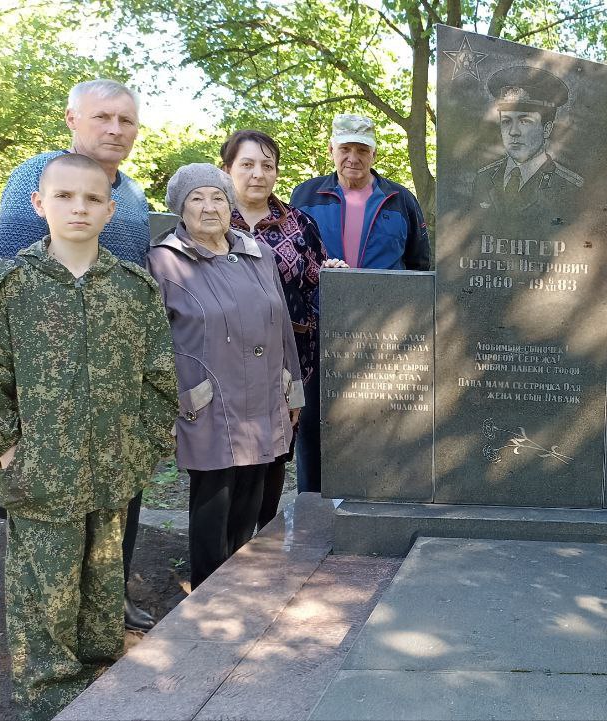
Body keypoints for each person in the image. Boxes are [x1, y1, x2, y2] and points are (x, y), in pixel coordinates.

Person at [0, 153, 177, 721]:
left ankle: (99, 682)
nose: (78, 208)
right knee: (44, 595)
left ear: (111, 209)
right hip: (40, 474)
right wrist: (6, 446)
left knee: (102, 586)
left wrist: (143, 447)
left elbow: (160, 378)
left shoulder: (132, 288)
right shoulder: (10, 287)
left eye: (91, 199)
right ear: (39, 204)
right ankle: (46, 696)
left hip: (112, 470)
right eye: (64, 197)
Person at [0, 78, 157, 631]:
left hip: (113, 383)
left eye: (126, 120)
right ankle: (47, 630)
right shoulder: (35, 179)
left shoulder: (132, 198)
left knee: (115, 502)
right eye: (102, 117)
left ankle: (111, 599)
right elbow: (7, 284)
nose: (115, 129)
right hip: (49, 383)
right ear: (72, 119)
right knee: (50, 513)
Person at [148, 164, 304, 589]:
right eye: (196, 198)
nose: (209, 207)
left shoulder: (258, 254)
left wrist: (294, 395)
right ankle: (204, 598)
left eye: (217, 197)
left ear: (229, 203)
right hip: (210, 404)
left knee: (250, 504)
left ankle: (235, 594)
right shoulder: (164, 262)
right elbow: (152, 344)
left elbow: (282, 324)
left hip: (263, 399)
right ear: (180, 208)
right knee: (212, 507)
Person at [220, 130, 344, 518]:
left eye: (267, 165)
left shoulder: (300, 224)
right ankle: (224, 556)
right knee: (229, 458)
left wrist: (333, 273)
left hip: (289, 361)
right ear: (227, 169)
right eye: (247, 164)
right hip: (227, 360)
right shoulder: (210, 221)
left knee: (275, 454)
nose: (258, 174)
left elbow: (315, 278)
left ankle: (263, 548)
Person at [290, 114, 431, 271]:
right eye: (345, 149)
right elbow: (292, 256)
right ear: (331, 150)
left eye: (362, 150)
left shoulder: (402, 199)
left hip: (387, 295)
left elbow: (419, 264)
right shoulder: (305, 195)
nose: (353, 158)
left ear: (374, 154)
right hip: (321, 294)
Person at [472, 66, 584, 220]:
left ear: (546, 129)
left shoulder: (569, 187)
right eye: (506, 121)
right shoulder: (483, 178)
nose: (513, 132)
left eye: (524, 121)